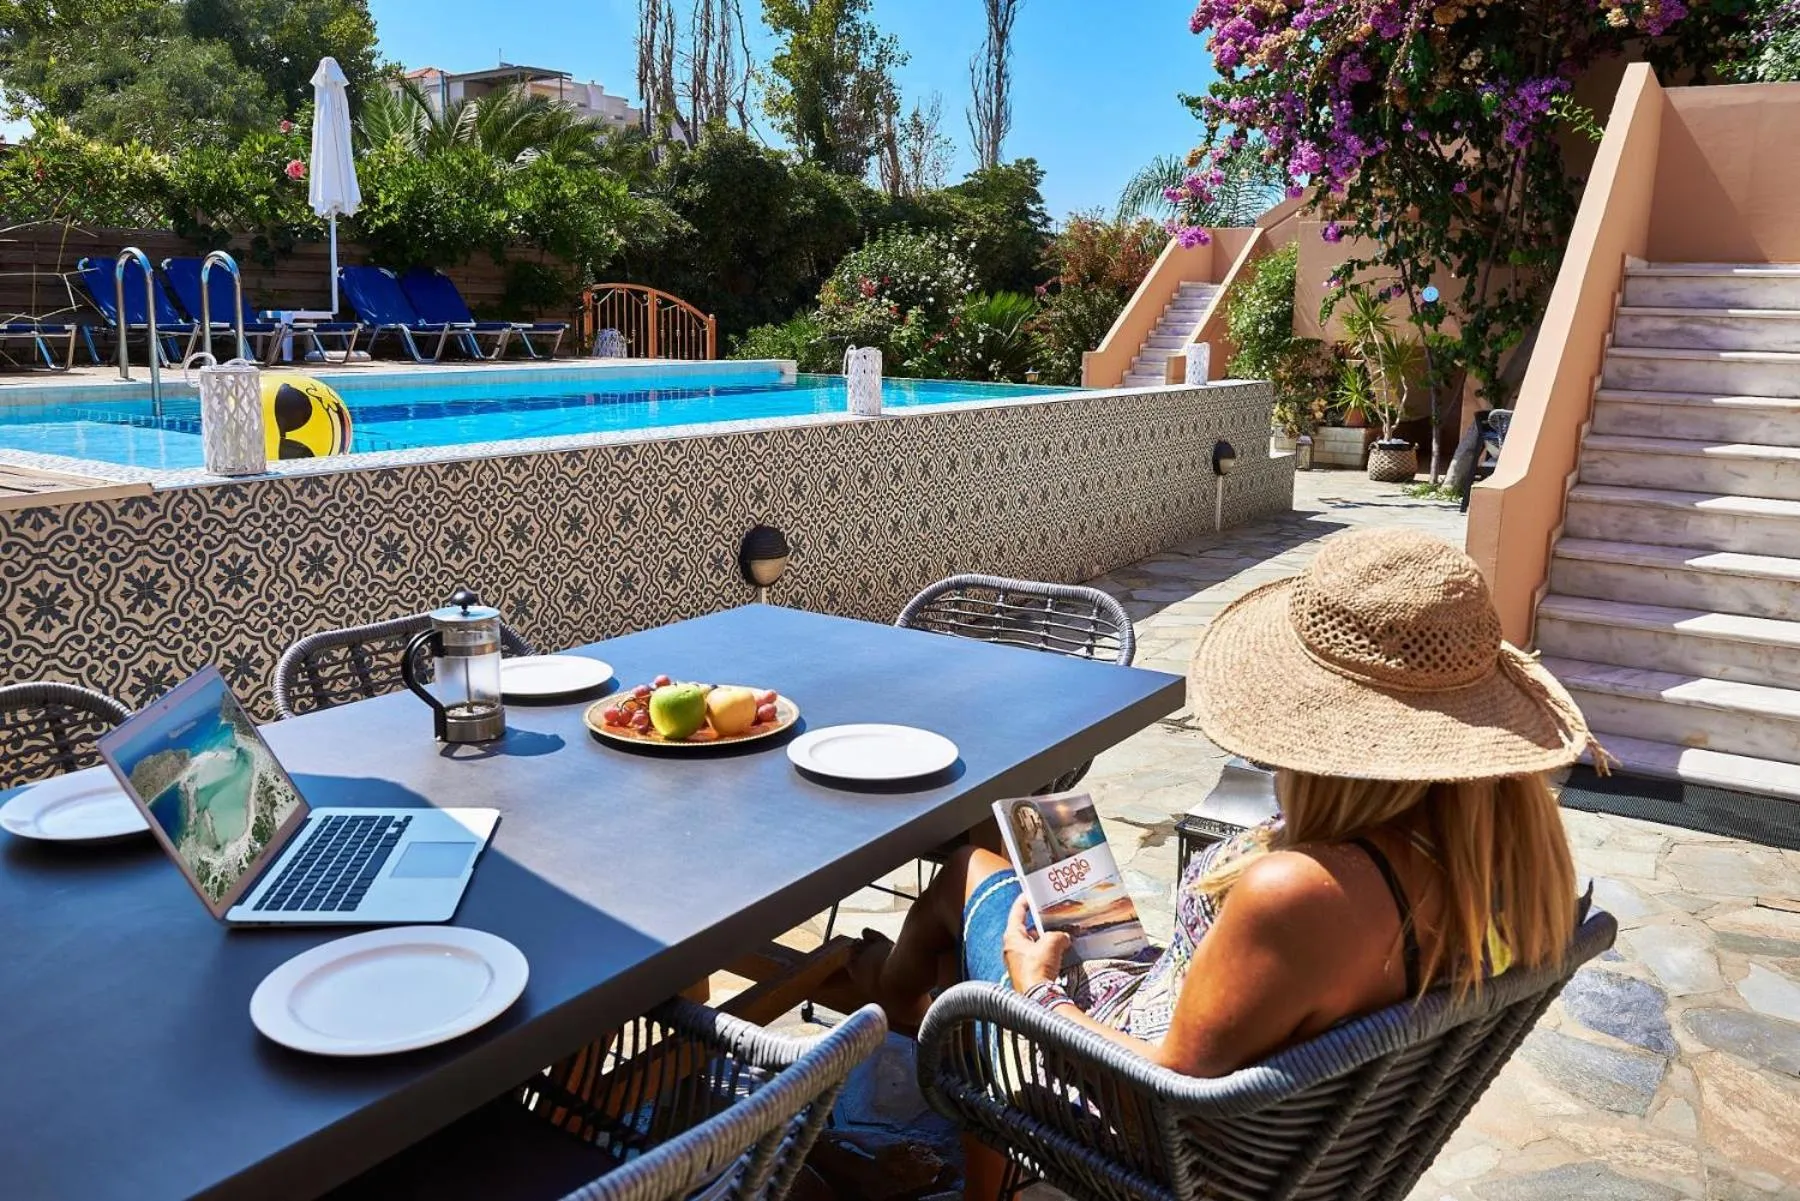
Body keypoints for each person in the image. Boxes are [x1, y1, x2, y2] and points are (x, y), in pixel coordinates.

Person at [850, 528, 1597, 1090]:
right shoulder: (1496, 860)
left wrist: (1035, 985)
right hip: (1185, 1011)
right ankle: (894, 994)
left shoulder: (1304, 893)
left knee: (967, 867)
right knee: (1039, 830)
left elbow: (1162, 1091)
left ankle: (885, 1004)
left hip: (1122, 1079)